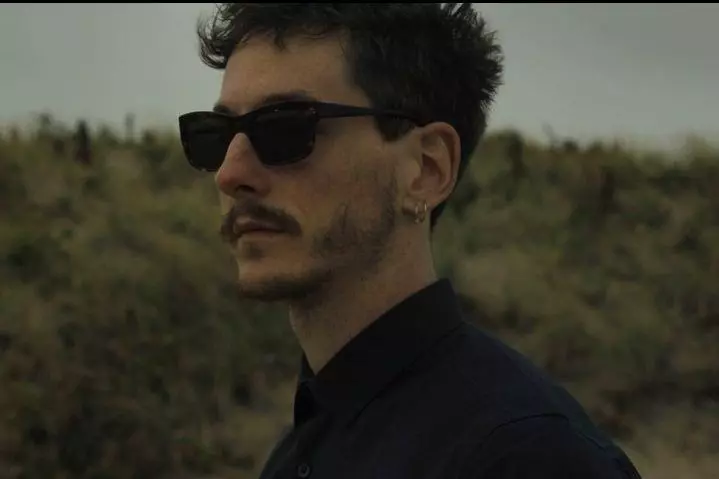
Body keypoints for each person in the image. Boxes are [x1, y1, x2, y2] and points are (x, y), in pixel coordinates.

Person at [179, 4, 643, 478]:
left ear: (426, 169)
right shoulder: (299, 451)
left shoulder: (527, 457)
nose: (230, 174)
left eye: (285, 128)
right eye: (215, 136)